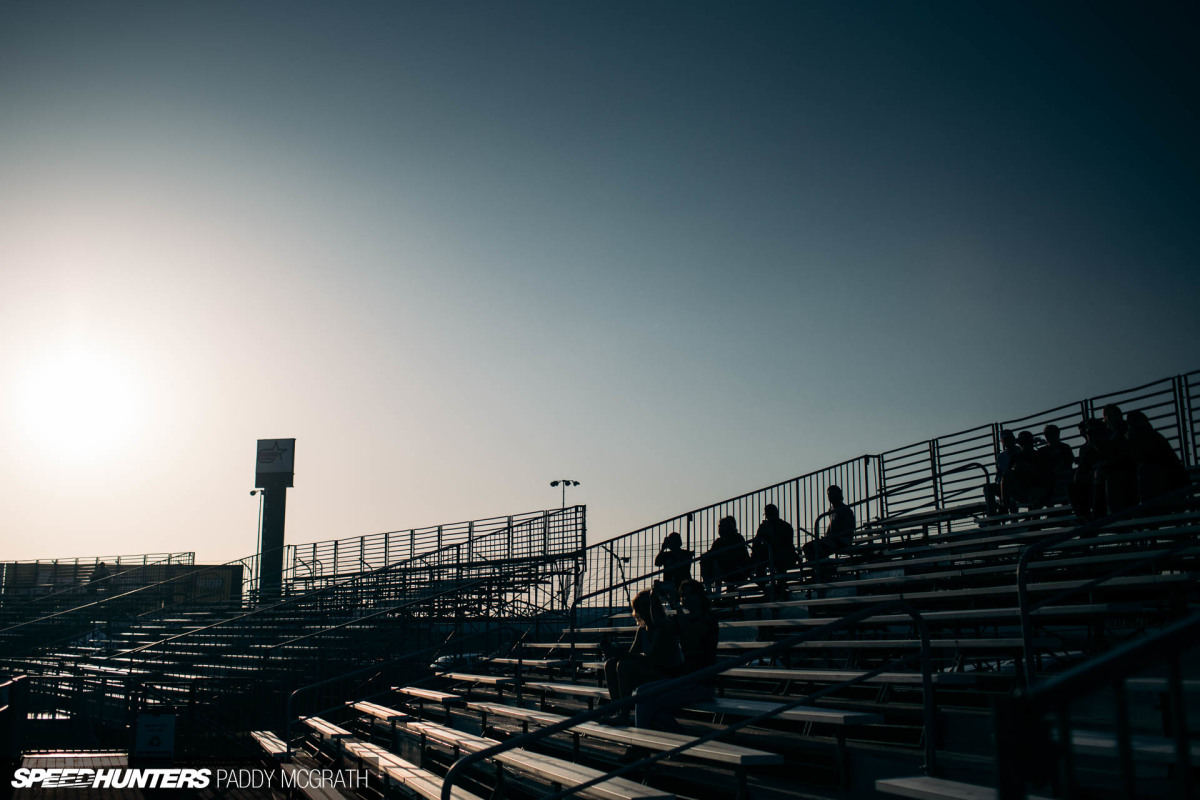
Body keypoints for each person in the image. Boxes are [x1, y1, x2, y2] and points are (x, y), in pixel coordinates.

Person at [633, 580, 719, 732]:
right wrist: (653, 595)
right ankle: (675, 739)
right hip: (686, 680)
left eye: (688, 595)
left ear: (700, 596)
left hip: (701, 683)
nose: (684, 599)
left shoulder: (708, 619)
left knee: (648, 702)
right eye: (682, 596)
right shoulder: (685, 619)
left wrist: (677, 606)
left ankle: (643, 745)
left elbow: (690, 634)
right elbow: (658, 622)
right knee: (640, 693)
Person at [604, 590, 683, 723]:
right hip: (652, 672)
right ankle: (617, 709)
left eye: (646, 606)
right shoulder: (642, 630)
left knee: (623, 666)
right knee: (611, 664)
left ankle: (623, 713)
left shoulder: (665, 627)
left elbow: (653, 660)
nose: (643, 611)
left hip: (667, 674)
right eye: (640, 607)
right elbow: (632, 654)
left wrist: (623, 655)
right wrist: (616, 653)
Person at [1125, 410, 1189, 502]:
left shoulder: (1150, 438)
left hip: (1162, 484)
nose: (1132, 425)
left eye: (1134, 422)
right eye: (1130, 423)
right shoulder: (1153, 436)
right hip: (1165, 485)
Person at [801, 486, 856, 582]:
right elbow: (830, 528)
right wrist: (826, 537)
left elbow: (848, 529)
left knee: (817, 548)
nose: (830, 497)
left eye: (833, 494)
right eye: (829, 494)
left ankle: (825, 572)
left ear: (839, 494)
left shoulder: (846, 510)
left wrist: (833, 536)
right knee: (807, 547)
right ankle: (822, 571)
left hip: (842, 540)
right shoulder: (830, 510)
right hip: (832, 540)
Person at [750, 504, 798, 599]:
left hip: (784, 555)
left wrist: (771, 536)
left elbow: (786, 545)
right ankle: (765, 587)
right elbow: (757, 543)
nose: (769, 516)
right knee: (758, 563)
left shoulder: (785, 526)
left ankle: (781, 587)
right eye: (767, 514)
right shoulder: (764, 527)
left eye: (770, 513)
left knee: (779, 560)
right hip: (769, 556)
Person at [700, 516, 751, 595]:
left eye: (723, 527)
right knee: (704, 561)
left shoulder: (737, 538)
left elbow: (737, 556)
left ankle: (717, 592)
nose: (720, 529)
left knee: (716, 561)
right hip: (724, 570)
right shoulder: (719, 541)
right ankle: (709, 590)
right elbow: (711, 553)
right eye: (719, 526)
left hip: (738, 570)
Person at [653, 532, 693, 609]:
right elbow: (657, 563)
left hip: (683, 581)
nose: (672, 543)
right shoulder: (666, 554)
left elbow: (684, 559)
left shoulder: (686, 553)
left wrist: (674, 549)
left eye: (674, 541)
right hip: (669, 582)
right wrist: (662, 549)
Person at [1036, 424, 1075, 502]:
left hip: (1062, 478)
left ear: (1057, 434)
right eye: (1046, 434)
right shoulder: (1041, 451)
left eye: (1051, 433)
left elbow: (1068, 463)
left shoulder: (1065, 447)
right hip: (1048, 481)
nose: (1049, 436)